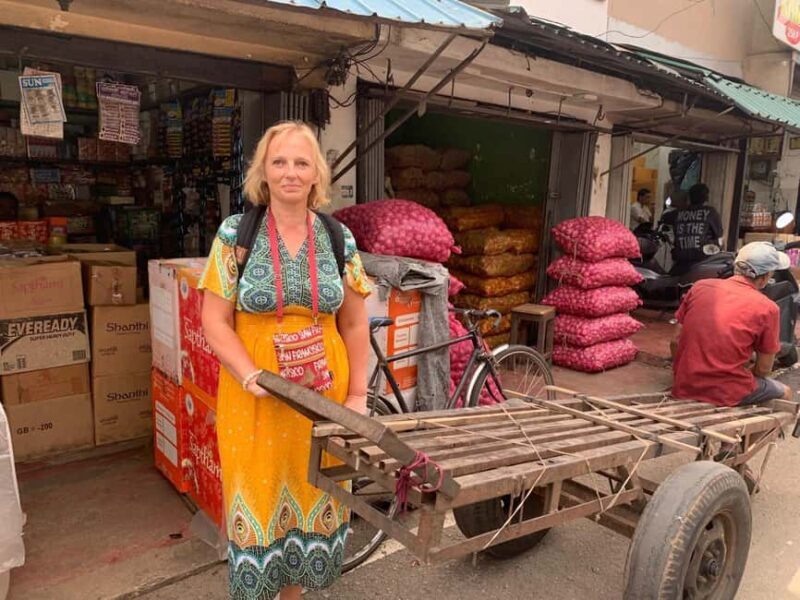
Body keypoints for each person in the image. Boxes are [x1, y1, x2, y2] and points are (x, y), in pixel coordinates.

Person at [200, 121, 371, 600]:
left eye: (301, 162)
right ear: (263, 171)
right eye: (279, 162)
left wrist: (357, 395)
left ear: (317, 173)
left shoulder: (341, 238)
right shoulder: (236, 233)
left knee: (312, 491)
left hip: (323, 399)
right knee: (257, 498)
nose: (290, 172)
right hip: (254, 394)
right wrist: (248, 372)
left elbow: (356, 324)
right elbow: (214, 319)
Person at [670, 242, 793, 407]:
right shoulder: (768, 308)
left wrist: (683, 372)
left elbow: (675, 342)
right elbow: (763, 370)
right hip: (727, 391)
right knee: (785, 393)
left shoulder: (699, 287)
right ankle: (756, 433)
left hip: (685, 384)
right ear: (765, 278)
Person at [661, 183, 723, 274]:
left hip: (681, 261)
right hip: (703, 260)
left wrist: (678, 205)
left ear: (689, 197)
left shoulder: (678, 213)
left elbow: (664, 217)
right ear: (706, 198)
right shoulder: (710, 212)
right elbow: (719, 235)